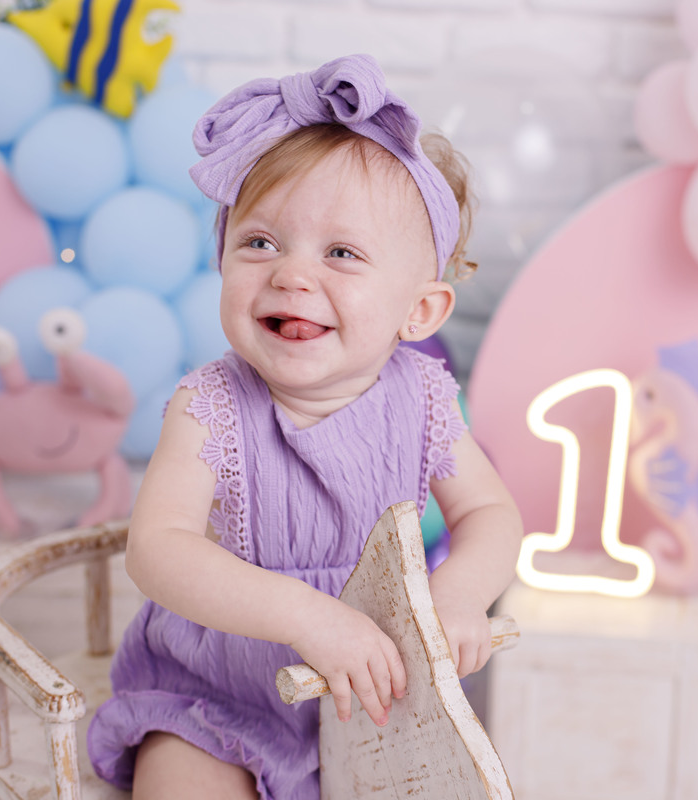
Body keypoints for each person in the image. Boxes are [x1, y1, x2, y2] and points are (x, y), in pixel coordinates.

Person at [87, 54, 523, 800]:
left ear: (419, 311)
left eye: (342, 253)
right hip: (212, 697)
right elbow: (158, 550)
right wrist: (306, 616)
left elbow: (491, 513)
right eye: (260, 242)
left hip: (370, 699)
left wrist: (457, 597)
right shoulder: (210, 407)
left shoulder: (422, 399)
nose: (290, 274)